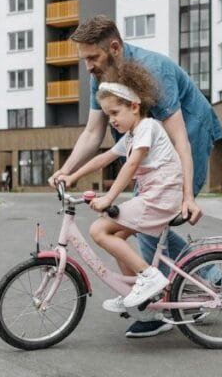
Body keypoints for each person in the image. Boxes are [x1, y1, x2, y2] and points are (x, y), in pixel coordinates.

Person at [49, 15, 222, 338]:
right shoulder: (100, 77)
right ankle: (193, 279)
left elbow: (181, 140)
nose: (88, 66)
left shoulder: (154, 71)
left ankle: (174, 294)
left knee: (150, 222)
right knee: (144, 224)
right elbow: (92, 133)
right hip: (145, 148)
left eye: (92, 57)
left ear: (114, 48)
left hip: (189, 133)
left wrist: (187, 196)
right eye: (84, 59)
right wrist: (67, 170)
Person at [61, 63, 182, 312]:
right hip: (154, 196)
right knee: (116, 236)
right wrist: (70, 175)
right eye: (108, 115)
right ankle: (133, 289)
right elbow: (103, 158)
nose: (112, 120)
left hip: (160, 198)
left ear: (134, 107)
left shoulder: (148, 127)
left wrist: (108, 199)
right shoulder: (131, 135)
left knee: (99, 229)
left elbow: (131, 165)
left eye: (115, 113)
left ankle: (150, 277)